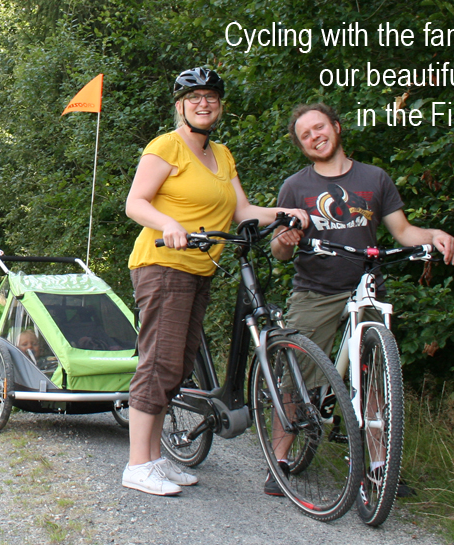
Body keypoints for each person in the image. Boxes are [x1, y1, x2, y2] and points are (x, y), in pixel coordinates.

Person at [123, 67, 309, 496]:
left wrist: (287, 214)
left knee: (179, 365)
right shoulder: (166, 147)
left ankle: (154, 459)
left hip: (199, 269)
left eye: (211, 97)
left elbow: (240, 210)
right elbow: (136, 202)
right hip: (163, 264)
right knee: (159, 362)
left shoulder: (221, 155)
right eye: (194, 97)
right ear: (180, 106)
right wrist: (169, 224)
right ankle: (136, 464)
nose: (203, 103)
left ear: (220, 105)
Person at [267, 102, 454, 496]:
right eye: (305, 135)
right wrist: (284, 241)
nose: (314, 137)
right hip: (314, 290)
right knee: (296, 374)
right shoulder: (296, 186)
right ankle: (279, 461)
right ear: (301, 146)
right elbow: (280, 251)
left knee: (374, 382)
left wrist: (434, 235)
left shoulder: (375, 178)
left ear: (336, 127)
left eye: (319, 128)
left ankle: (377, 468)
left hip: (366, 288)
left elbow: (404, 232)